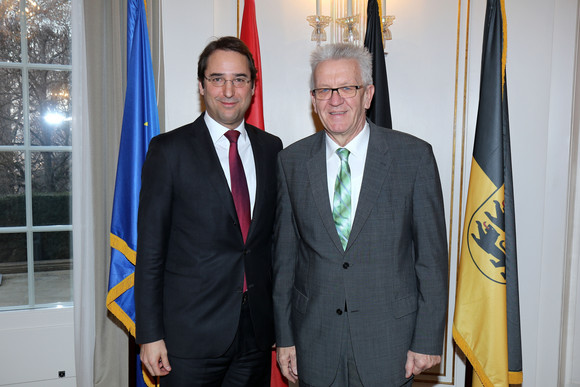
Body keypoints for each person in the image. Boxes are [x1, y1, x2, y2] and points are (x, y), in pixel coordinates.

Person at [273, 43, 448, 386]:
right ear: (313, 99)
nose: (334, 100)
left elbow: (431, 260)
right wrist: (285, 337)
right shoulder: (291, 162)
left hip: (389, 343)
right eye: (324, 89)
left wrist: (426, 339)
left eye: (347, 88)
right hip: (314, 342)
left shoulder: (413, 158)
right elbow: (285, 261)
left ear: (367, 95)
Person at [135, 36, 283, 386]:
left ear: (252, 87)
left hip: (256, 337)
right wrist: (149, 334)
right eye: (217, 79)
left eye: (239, 79)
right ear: (202, 86)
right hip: (188, 340)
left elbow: (273, 244)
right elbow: (151, 252)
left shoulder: (271, 149)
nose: (228, 90)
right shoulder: (168, 151)